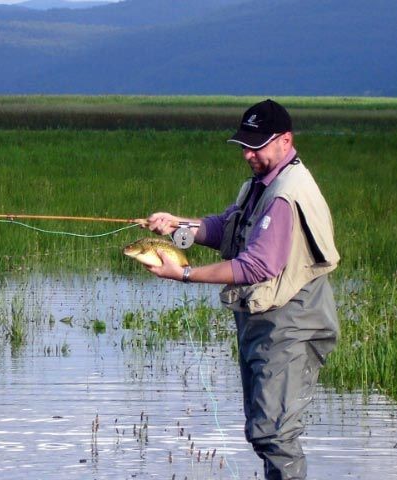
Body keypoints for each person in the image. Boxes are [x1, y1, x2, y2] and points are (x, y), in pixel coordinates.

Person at [145, 99, 340, 479]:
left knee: (274, 433)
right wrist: (177, 226)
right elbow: (225, 228)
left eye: (258, 145)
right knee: (263, 431)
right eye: (244, 145)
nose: (249, 154)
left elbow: (256, 265)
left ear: (286, 141)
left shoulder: (286, 194)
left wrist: (183, 275)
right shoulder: (262, 184)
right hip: (267, 322)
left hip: (292, 321)